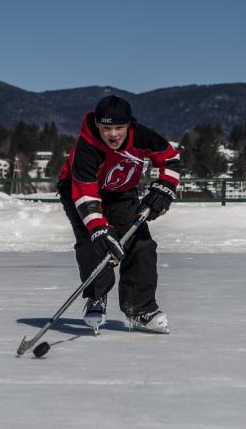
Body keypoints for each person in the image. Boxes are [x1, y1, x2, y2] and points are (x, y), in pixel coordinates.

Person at [58, 94, 181, 334]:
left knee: (141, 244)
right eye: (106, 128)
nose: (113, 134)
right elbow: (85, 195)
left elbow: (171, 159)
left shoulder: (142, 136)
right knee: (93, 243)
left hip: (121, 192)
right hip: (79, 192)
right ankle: (96, 297)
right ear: (97, 125)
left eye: (119, 127)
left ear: (129, 125)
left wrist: (166, 187)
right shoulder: (87, 147)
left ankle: (140, 307)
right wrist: (98, 229)